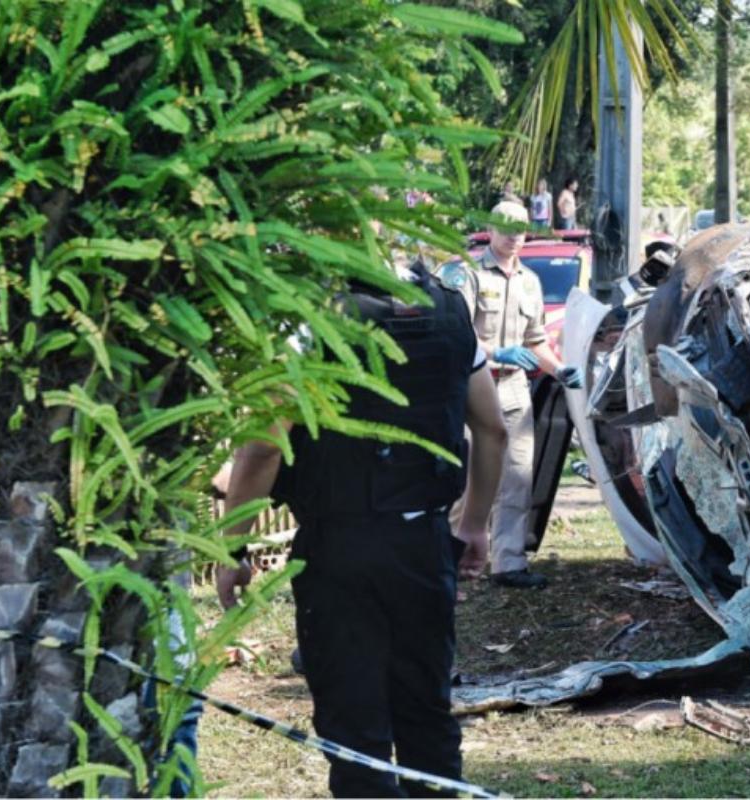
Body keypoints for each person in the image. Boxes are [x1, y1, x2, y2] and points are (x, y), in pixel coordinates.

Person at [215, 261, 508, 798]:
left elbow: (262, 446)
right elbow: (492, 428)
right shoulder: (449, 310)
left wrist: (232, 544)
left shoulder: (309, 317)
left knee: (354, 724)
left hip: (340, 545)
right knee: (427, 710)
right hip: (423, 544)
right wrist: (475, 525)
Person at [441, 201, 583, 589]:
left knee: (517, 476)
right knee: (467, 477)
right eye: (506, 228)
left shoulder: (530, 282)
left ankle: (509, 563)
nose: (513, 236)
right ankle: (455, 561)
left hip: (515, 388)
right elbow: (456, 334)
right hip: (475, 386)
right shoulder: (467, 274)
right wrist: (493, 353)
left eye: (520, 228)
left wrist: (560, 369)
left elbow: (536, 341)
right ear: (490, 227)